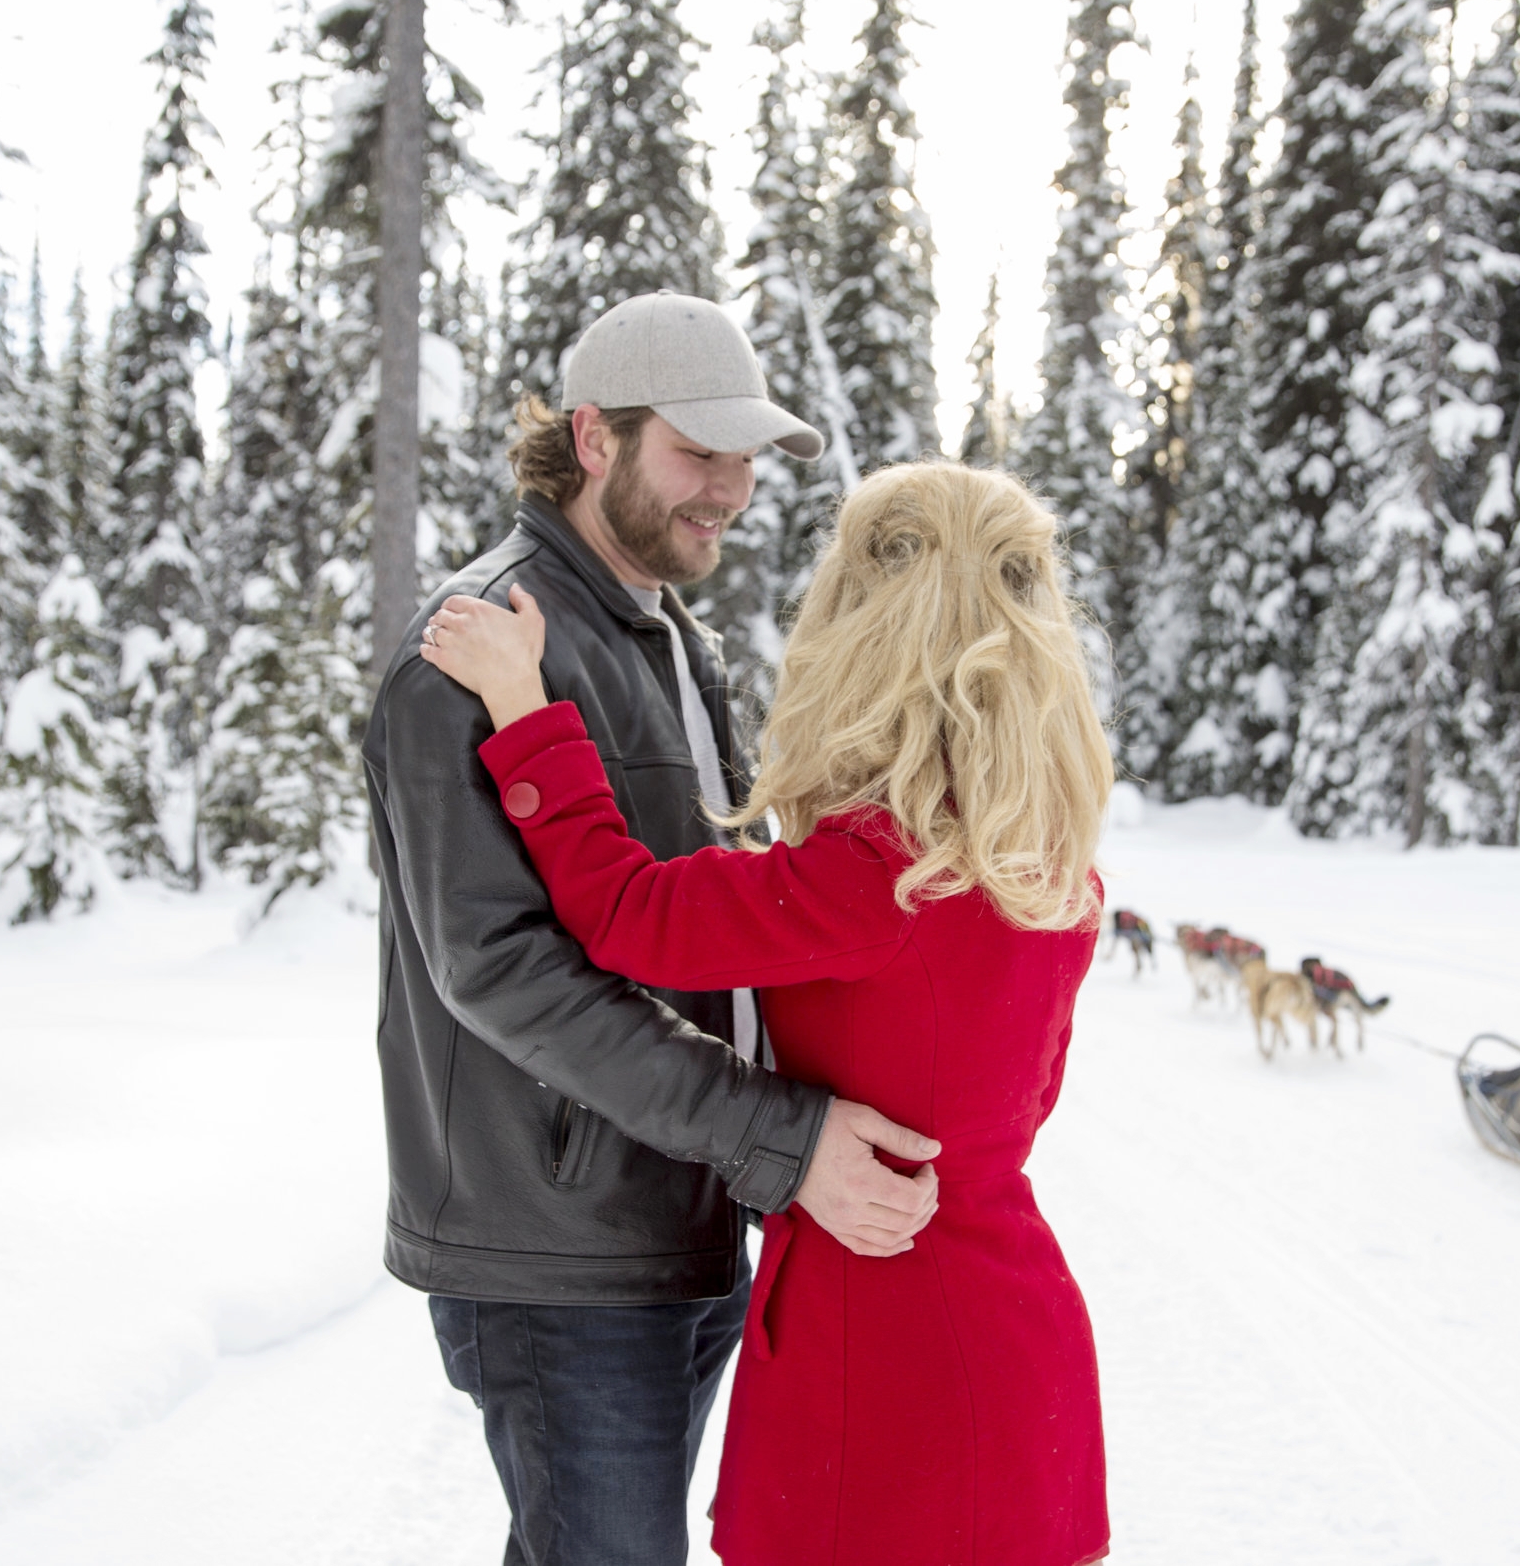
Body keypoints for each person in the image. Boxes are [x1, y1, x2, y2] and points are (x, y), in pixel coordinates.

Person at [423, 460, 1116, 1566]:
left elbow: (621, 908)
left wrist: (524, 706)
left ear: (867, 628)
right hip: (1006, 1325)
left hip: (889, 1344)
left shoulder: (878, 870)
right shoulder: (1038, 861)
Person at [360, 292, 946, 1566]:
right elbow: (502, 973)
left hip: (682, 1211)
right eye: (698, 451)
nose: (730, 489)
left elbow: (692, 919)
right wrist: (773, 1133)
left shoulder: (661, 635)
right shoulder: (472, 649)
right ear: (594, 438)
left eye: (744, 459)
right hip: (555, 1238)